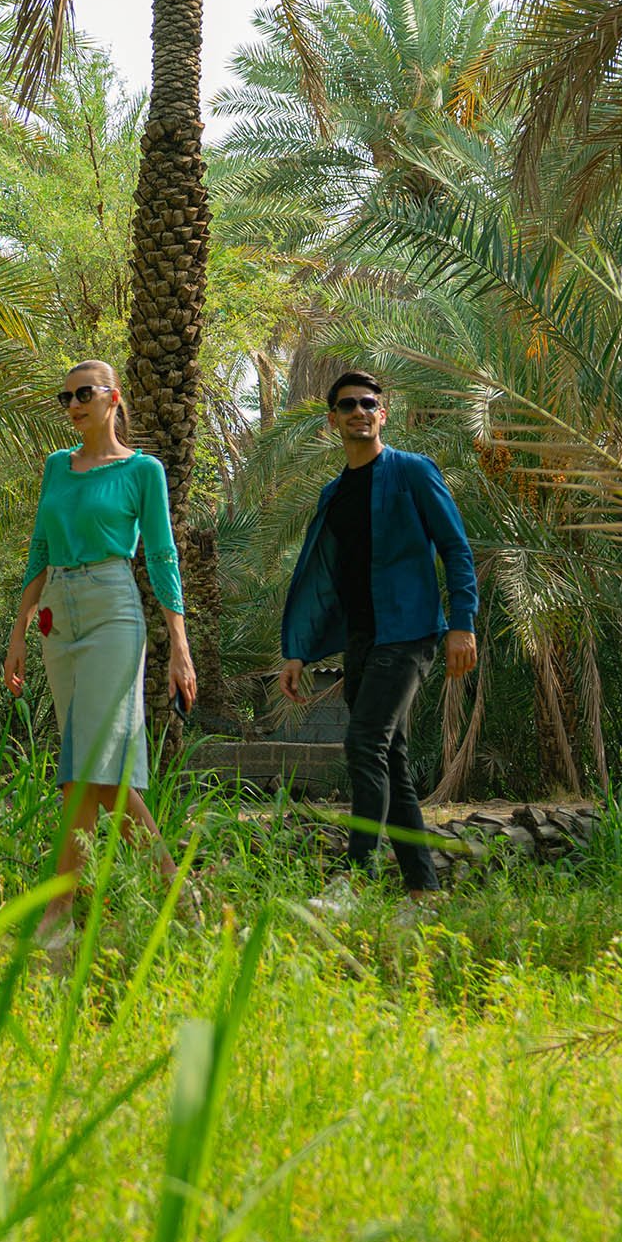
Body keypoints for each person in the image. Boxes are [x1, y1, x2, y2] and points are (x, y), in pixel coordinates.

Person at [4, 360, 198, 923]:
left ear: (113, 398)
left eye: (83, 393)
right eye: (63, 396)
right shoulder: (56, 468)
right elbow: (40, 548)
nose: (72, 404)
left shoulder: (144, 471)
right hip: (57, 617)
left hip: (114, 607)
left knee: (85, 764)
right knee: (94, 772)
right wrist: (18, 631)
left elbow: (161, 555)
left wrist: (178, 644)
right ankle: (175, 894)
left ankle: (58, 910)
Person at [276, 370, 479, 894]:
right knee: (391, 760)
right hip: (361, 642)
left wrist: (463, 624)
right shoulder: (333, 495)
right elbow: (319, 577)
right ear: (333, 420)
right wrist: (297, 651)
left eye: (369, 403)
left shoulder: (412, 472)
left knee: (364, 743)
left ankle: (354, 881)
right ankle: (423, 889)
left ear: (382, 414)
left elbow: (456, 549)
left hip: (409, 633)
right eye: (348, 405)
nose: (359, 412)